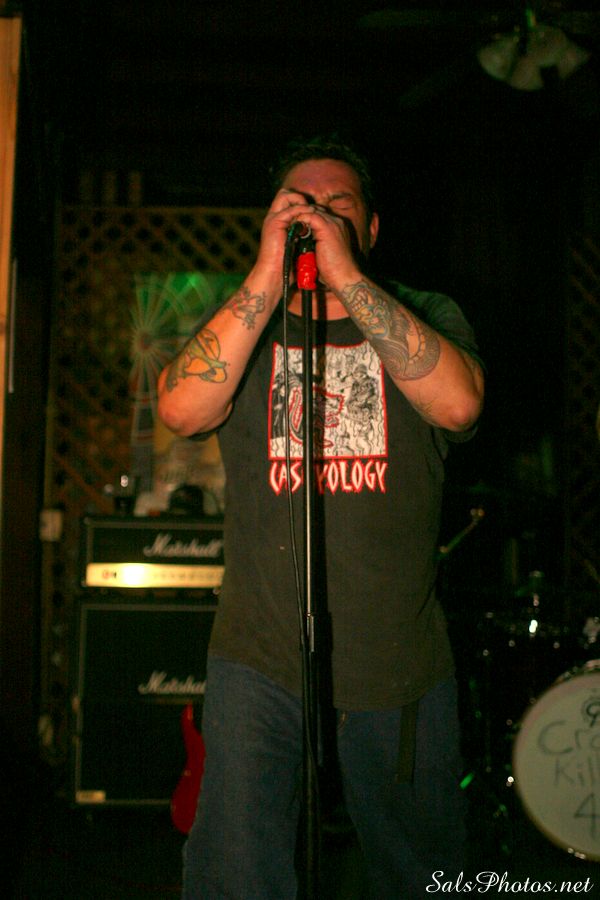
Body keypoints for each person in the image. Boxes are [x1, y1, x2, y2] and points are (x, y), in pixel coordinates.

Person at [157, 135, 484, 899]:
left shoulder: (426, 313)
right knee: (238, 875)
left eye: (339, 205)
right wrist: (267, 276)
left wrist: (344, 276)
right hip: (260, 655)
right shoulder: (245, 322)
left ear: (371, 227)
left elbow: (459, 405)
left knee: (424, 876)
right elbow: (180, 409)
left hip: (398, 658)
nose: (318, 216)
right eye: (299, 205)